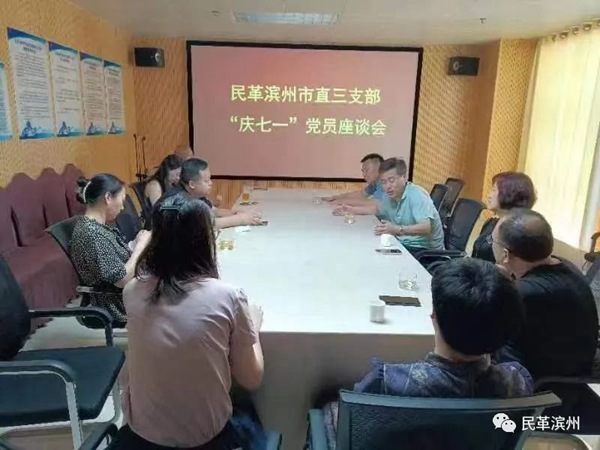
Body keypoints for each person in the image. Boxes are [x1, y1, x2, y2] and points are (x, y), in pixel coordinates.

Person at [321, 258, 532, 448]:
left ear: (434, 317)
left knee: (327, 402)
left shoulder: (387, 383)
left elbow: (352, 432)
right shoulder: (517, 383)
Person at [119, 192, 266, 449]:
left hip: (141, 438)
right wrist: (252, 325)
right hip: (205, 441)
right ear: (204, 240)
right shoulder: (227, 297)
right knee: (248, 408)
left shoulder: (132, 292)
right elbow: (252, 378)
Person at [492, 209, 598, 379]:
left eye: (492, 241)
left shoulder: (522, 294)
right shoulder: (566, 266)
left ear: (505, 254)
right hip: (576, 370)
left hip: (545, 384)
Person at [69, 174, 151, 324]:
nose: (122, 207)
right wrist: (140, 247)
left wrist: (135, 244)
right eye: (122, 200)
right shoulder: (92, 235)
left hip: (127, 292)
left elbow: (113, 258)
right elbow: (121, 280)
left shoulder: (95, 227)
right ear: (108, 198)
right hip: (117, 304)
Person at [335, 158, 444, 255]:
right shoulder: (389, 196)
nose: (388, 186)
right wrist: (352, 210)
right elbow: (377, 209)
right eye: (383, 182)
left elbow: (426, 227)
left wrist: (397, 230)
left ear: (404, 177)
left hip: (425, 252)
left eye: (392, 180)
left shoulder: (416, 195)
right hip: (404, 243)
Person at [164, 158, 261, 228]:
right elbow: (209, 224)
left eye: (210, 179)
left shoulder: (196, 193)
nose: (211, 183)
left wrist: (237, 213)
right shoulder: (178, 200)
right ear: (192, 184)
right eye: (206, 181)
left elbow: (214, 211)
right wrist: (241, 219)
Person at [472, 172, 536, 262]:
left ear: (509, 194)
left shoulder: (518, 233)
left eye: (494, 190)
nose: (489, 195)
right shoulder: (490, 223)